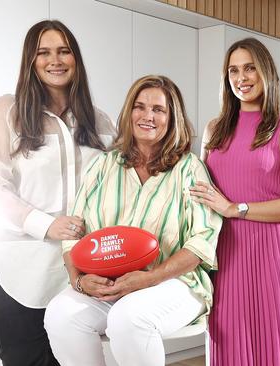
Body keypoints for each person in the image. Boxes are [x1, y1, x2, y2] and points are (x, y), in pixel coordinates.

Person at [43, 75, 222, 366]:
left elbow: (203, 241)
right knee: (61, 316)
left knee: (128, 319)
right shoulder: (103, 165)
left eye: (158, 110)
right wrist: (79, 281)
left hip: (174, 282)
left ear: (172, 117)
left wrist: (150, 278)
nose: (147, 116)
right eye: (140, 107)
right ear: (129, 113)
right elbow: (73, 232)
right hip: (109, 283)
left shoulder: (190, 169)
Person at [0, 20, 116, 366]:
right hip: (18, 264)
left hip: (80, 264)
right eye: (44, 52)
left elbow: (116, 186)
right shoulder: (5, 112)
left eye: (64, 51)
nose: (55, 60)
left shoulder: (100, 122)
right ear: (31, 60)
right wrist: (44, 224)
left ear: (76, 59)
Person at [190, 37, 280, 365]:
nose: (241, 78)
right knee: (228, 339)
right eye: (233, 71)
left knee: (274, 342)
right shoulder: (214, 130)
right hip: (225, 252)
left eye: (249, 68)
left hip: (274, 253)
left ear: (266, 72)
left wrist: (235, 208)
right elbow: (200, 192)